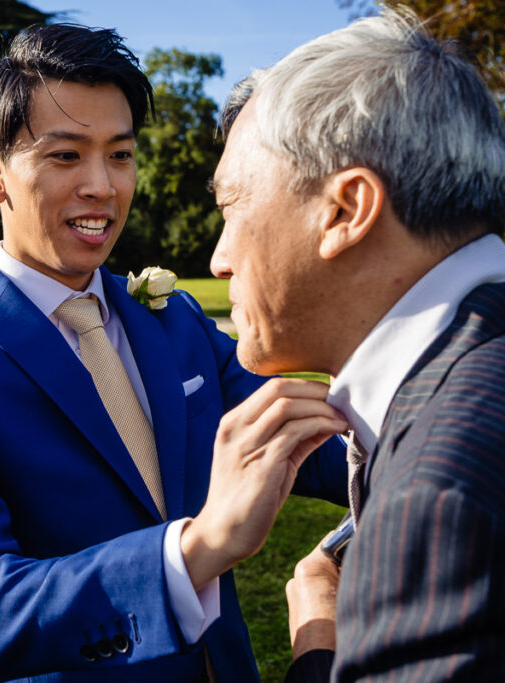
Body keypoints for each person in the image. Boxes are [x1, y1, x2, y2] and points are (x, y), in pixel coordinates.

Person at [0, 23, 349, 682]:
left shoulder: (171, 316)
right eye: (65, 156)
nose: (102, 185)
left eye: (120, 155)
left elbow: (316, 442)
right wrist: (198, 548)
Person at [209, 9, 505, 680]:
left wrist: (320, 643)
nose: (220, 258)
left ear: (345, 211)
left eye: (230, 208)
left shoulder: (438, 491)